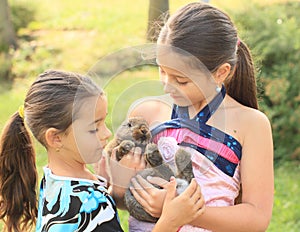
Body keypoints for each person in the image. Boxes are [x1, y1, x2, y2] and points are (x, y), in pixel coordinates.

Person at [126, 2, 274, 232]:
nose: (167, 86)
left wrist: (185, 212)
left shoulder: (251, 124)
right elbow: (119, 193)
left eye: (181, 80)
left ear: (220, 73)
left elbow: (257, 217)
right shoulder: (146, 114)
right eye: (162, 70)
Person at [0, 70, 205, 232]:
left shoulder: (55, 179)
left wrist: (117, 188)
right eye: (93, 128)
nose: (106, 133)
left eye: (103, 122)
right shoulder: (88, 204)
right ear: (55, 138)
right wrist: (170, 221)